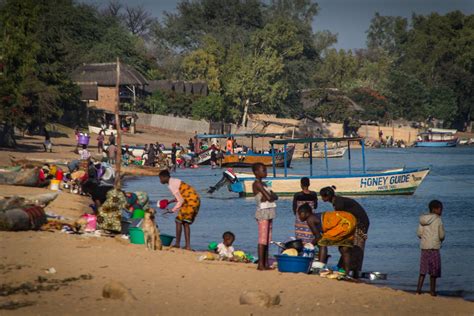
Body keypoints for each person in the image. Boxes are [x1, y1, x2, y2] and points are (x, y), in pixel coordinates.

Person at [320, 186, 369, 278]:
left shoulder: (338, 203)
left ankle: (355, 271)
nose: (322, 198)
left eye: (323, 196)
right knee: (348, 247)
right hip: (354, 223)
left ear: (328, 196)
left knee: (357, 247)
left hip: (360, 223)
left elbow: (341, 219)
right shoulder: (337, 201)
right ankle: (347, 269)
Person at [297, 204, 356, 274]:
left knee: (322, 243)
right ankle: (347, 272)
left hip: (342, 223)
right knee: (344, 248)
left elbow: (318, 237)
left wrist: (309, 245)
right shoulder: (316, 216)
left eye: (299, 214)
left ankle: (320, 267)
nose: (299, 217)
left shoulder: (310, 219)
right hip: (350, 219)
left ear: (305, 213)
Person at [159, 170, 200, 250]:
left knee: (180, 221)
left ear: (165, 177)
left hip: (190, 202)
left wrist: (172, 210)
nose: (160, 181)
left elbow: (180, 200)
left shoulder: (171, 185)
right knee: (183, 221)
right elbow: (181, 195)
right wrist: (169, 202)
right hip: (194, 200)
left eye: (160, 178)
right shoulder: (175, 181)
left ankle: (181, 244)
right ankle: (185, 245)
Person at [416, 200, 445, 296]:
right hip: (434, 248)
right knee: (434, 271)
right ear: (435, 209)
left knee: (422, 270)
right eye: (440, 209)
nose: (441, 211)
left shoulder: (422, 219)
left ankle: (418, 290)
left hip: (424, 248)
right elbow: (441, 235)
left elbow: (419, 234)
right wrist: (441, 239)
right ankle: (432, 291)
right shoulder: (438, 219)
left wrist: (425, 238)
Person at [252, 163, 277, 270]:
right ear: (256, 172)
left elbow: (275, 196)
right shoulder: (257, 184)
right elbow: (270, 197)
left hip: (269, 212)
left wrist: (270, 196)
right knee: (262, 239)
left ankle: (266, 263)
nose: (265, 172)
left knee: (267, 239)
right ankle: (260, 264)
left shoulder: (265, 184)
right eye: (263, 170)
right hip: (262, 213)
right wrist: (270, 196)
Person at [292, 177, 318, 244]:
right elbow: (315, 206)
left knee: (300, 235)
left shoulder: (297, 195)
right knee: (310, 232)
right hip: (310, 217)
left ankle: (301, 247)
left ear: (301, 185)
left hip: (300, 218)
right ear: (309, 184)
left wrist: (297, 215)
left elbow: (294, 207)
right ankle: (310, 246)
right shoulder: (313, 194)